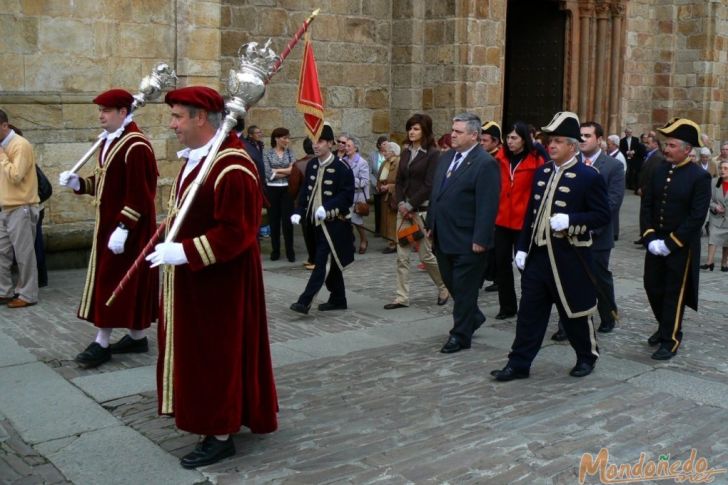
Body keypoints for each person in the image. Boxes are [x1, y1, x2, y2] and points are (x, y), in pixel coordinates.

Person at [147, 86, 277, 468]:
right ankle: (207, 418)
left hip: (221, 283)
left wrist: (183, 251)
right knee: (198, 353)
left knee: (215, 354)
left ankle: (219, 433)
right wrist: (163, 234)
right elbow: (188, 213)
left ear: (200, 118)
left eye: (177, 117)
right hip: (197, 280)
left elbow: (237, 232)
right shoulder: (199, 160)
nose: (172, 125)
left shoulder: (231, 165)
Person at [491, 111, 610, 381]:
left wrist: (572, 220)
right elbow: (531, 216)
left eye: (557, 141)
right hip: (538, 256)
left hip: (569, 257)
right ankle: (519, 363)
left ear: (572, 145)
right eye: (548, 141)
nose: (551, 146)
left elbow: (602, 216)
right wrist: (522, 248)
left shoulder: (587, 176)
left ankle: (586, 356)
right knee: (529, 314)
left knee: (575, 312)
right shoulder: (542, 171)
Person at [58, 90, 159, 368]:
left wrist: (124, 227)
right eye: (100, 110)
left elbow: (141, 193)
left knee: (111, 281)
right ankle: (137, 336)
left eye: (107, 110)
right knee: (123, 281)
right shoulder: (110, 142)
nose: (101, 115)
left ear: (123, 113)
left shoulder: (136, 146)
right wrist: (80, 183)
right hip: (110, 225)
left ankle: (101, 341)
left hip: (129, 228)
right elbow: (106, 183)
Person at [427, 112, 500, 353]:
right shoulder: (447, 157)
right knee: (452, 284)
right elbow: (437, 192)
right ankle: (474, 317)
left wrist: (481, 238)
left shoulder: (485, 163)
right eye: (452, 130)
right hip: (443, 236)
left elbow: (487, 205)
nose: (452, 135)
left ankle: (460, 335)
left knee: (465, 288)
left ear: (473, 135)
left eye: (458, 131)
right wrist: (431, 224)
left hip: (468, 239)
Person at [640, 118, 711, 360]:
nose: (666, 149)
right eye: (666, 144)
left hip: (680, 246)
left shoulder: (699, 177)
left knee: (673, 291)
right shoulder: (660, 169)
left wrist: (670, 243)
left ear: (687, 150)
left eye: (671, 145)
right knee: (652, 285)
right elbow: (647, 204)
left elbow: (696, 217)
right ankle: (664, 325)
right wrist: (649, 236)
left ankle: (670, 338)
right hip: (655, 242)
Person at [552, 121, 624, 340]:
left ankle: (608, 314)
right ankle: (568, 323)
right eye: (580, 135)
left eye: (588, 135)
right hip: (570, 232)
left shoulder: (612, 166)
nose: (583, 139)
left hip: (597, 234)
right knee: (570, 278)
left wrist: (591, 227)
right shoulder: (569, 163)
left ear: (599, 139)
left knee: (599, 277)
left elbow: (612, 201)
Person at [385, 113, 449, 310]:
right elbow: (400, 180)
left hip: (420, 211)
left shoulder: (432, 154)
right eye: (410, 128)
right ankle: (401, 297)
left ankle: (444, 286)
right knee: (401, 256)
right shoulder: (405, 152)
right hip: (403, 211)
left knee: (425, 255)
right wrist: (401, 202)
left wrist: (411, 205)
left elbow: (430, 184)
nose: (411, 132)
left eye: (416, 129)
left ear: (425, 131)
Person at [289, 124, 354, 313]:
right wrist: (298, 211)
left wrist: (327, 208)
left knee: (321, 262)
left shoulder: (341, 167)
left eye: (320, 141)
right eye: (313, 141)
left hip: (334, 224)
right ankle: (338, 298)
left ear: (331, 144)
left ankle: (305, 301)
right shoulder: (312, 164)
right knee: (332, 266)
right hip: (314, 224)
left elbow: (346, 196)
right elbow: (305, 193)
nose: (315, 145)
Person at [492, 121, 544, 320]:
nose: (510, 141)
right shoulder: (500, 158)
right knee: (501, 264)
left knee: (525, 266)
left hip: (524, 221)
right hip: (502, 219)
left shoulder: (535, 159)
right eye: (508, 137)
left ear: (524, 140)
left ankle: (530, 304)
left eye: (514, 138)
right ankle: (507, 306)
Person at [0, 109, 40, 309]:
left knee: (24, 254)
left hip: (22, 207)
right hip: (5, 207)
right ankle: (4, 291)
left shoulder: (20, 145)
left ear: (5, 126)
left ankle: (27, 294)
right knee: (1, 252)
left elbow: (15, 175)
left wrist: (1, 156)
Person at [263, 127, 296, 262]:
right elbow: (268, 173)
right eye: (284, 138)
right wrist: (284, 171)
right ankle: (275, 250)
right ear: (276, 138)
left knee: (288, 222)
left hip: (287, 190)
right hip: (272, 190)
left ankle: (290, 251)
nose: (286, 141)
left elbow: (293, 171)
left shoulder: (290, 153)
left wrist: (277, 170)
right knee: (274, 221)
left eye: (288, 138)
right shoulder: (267, 153)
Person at [288, 137, 316, 269]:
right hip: (314, 202)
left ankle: (315, 259)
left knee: (308, 232)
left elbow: (293, 187)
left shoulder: (299, 164)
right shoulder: (315, 162)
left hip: (304, 203)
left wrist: (295, 200)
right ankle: (312, 258)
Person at [633, 134, 665, 245]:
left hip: (649, 191)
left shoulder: (658, 157)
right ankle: (643, 234)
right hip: (644, 190)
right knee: (643, 213)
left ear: (655, 144)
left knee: (647, 214)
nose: (646, 145)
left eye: (648, 143)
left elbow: (653, 176)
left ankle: (647, 236)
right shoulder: (650, 155)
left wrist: (644, 189)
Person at [342, 135, 370, 254]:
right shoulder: (343, 161)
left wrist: (350, 179)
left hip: (358, 196)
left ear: (355, 148)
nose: (346, 148)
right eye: (345, 145)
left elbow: (364, 181)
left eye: (349, 146)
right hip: (345, 195)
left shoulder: (362, 162)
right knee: (347, 221)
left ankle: (364, 240)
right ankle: (349, 243)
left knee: (357, 221)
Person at [701, 160, 728, 271]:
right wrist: (715, 207)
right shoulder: (715, 182)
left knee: (727, 242)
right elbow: (708, 199)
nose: (722, 170)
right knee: (712, 238)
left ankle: (724, 264)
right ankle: (709, 262)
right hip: (716, 217)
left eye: (726, 168)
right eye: (721, 168)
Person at [376, 141, 400, 254]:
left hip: (393, 196)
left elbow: (402, 182)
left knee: (393, 220)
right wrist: (379, 186)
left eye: (386, 151)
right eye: (383, 151)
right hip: (384, 196)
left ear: (393, 152)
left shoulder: (399, 162)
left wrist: (390, 187)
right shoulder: (385, 163)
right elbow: (379, 177)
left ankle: (395, 243)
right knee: (386, 221)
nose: (383, 153)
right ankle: (390, 242)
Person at [369, 135, 389, 237]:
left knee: (386, 209)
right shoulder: (373, 155)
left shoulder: (390, 155)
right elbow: (370, 172)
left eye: (387, 143)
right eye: (384, 144)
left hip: (387, 186)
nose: (386, 145)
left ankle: (386, 230)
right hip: (377, 186)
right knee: (378, 208)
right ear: (379, 145)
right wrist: (375, 184)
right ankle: (378, 229)